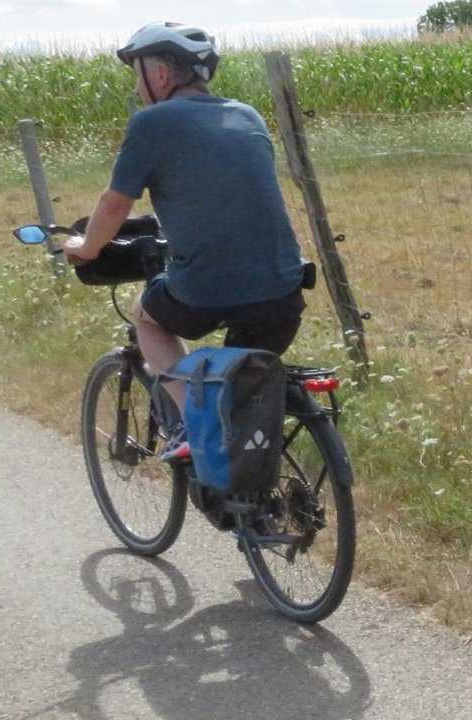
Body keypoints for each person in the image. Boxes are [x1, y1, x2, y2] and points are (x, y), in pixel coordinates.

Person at [63, 22, 307, 460]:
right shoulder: (246, 114)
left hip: (210, 290)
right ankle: (255, 503)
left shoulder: (154, 122)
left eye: (138, 76)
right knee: (237, 388)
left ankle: (191, 424)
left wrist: (87, 248)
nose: (138, 87)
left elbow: (115, 205)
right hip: (285, 293)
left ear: (159, 75)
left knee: (148, 317)